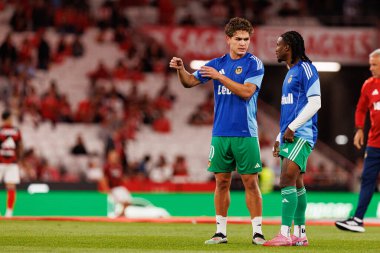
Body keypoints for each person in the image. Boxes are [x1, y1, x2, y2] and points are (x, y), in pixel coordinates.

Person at [169, 17, 266, 245]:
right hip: (220, 133)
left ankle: (258, 232)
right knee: (221, 182)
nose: (243, 43)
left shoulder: (254, 64)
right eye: (238, 39)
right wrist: (181, 69)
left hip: (246, 132)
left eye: (246, 39)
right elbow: (189, 82)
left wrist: (220, 77)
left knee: (251, 182)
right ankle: (220, 232)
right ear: (228, 40)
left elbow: (246, 92)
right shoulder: (216, 63)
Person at [263, 31, 321, 246]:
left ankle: (285, 234)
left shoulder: (306, 69)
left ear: (288, 47)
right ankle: (301, 234)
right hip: (290, 135)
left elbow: (315, 102)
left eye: (278, 45)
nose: (275, 49)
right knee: (296, 183)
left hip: (301, 134)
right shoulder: (290, 73)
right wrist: (279, 135)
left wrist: (292, 129)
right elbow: (291, 110)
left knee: (286, 179)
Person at [335, 49, 380, 233]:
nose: (370, 68)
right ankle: (358, 220)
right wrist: (359, 129)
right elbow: (361, 109)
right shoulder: (368, 85)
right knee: (367, 180)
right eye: (370, 64)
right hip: (374, 143)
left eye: (374, 64)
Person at [0, 110, 23, 217]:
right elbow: (20, 145)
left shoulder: (1, 130)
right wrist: (19, 158)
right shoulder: (16, 131)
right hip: (11, 162)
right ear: (8, 118)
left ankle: (8, 212)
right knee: (11, 186)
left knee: (11, 186)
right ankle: (9, 212)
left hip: (4, 162)